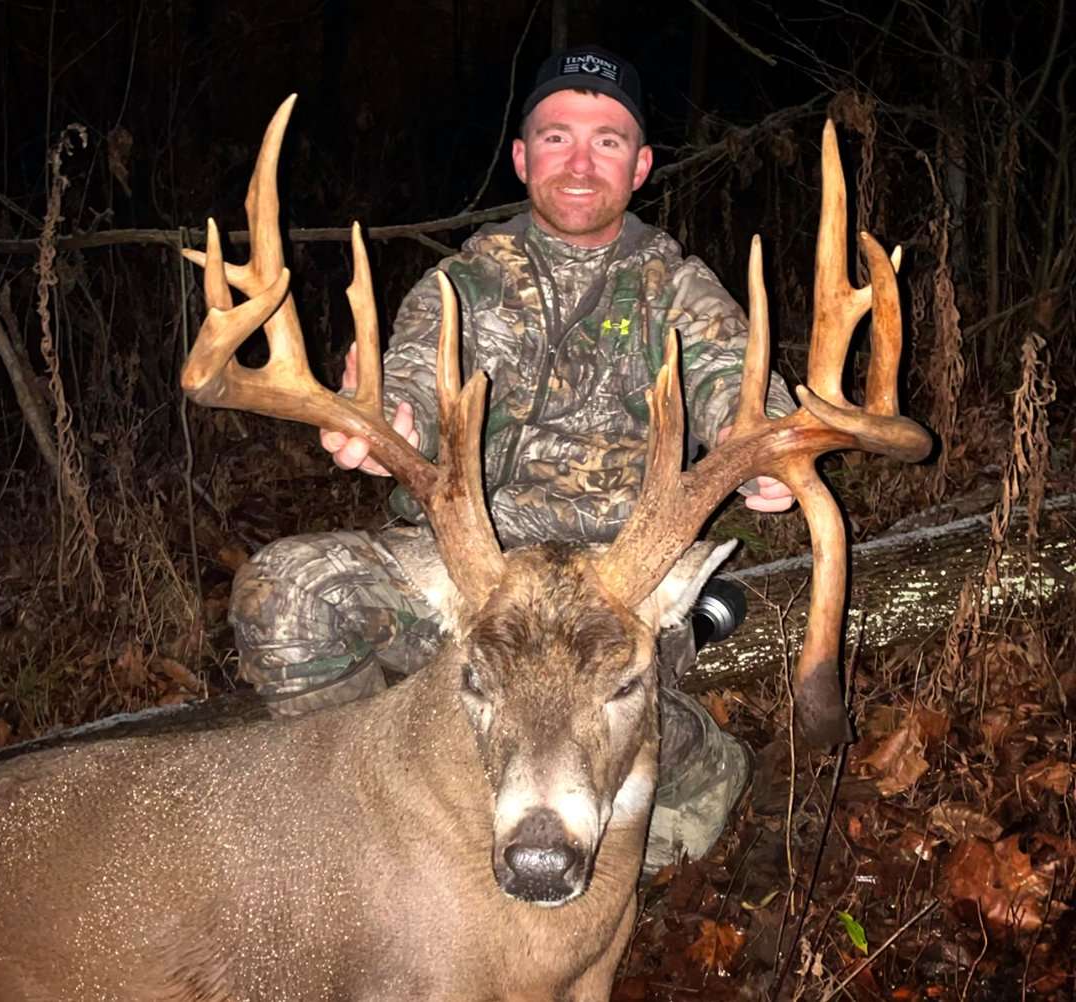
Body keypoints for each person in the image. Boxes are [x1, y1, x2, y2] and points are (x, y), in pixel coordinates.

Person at [230, 46, 796, 870]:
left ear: (639, 167)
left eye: (607, 141)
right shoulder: (463, 284)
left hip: (615, 581)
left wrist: (767, 446)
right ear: (523, 157)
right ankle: (361, 824)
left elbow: (733, 380)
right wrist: (386, 422)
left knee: (632, 762)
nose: (580, 162)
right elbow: (412, 380)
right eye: (557, 137)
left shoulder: (676, 288)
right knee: (284, 594)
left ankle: (697, 757)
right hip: (469, 570)